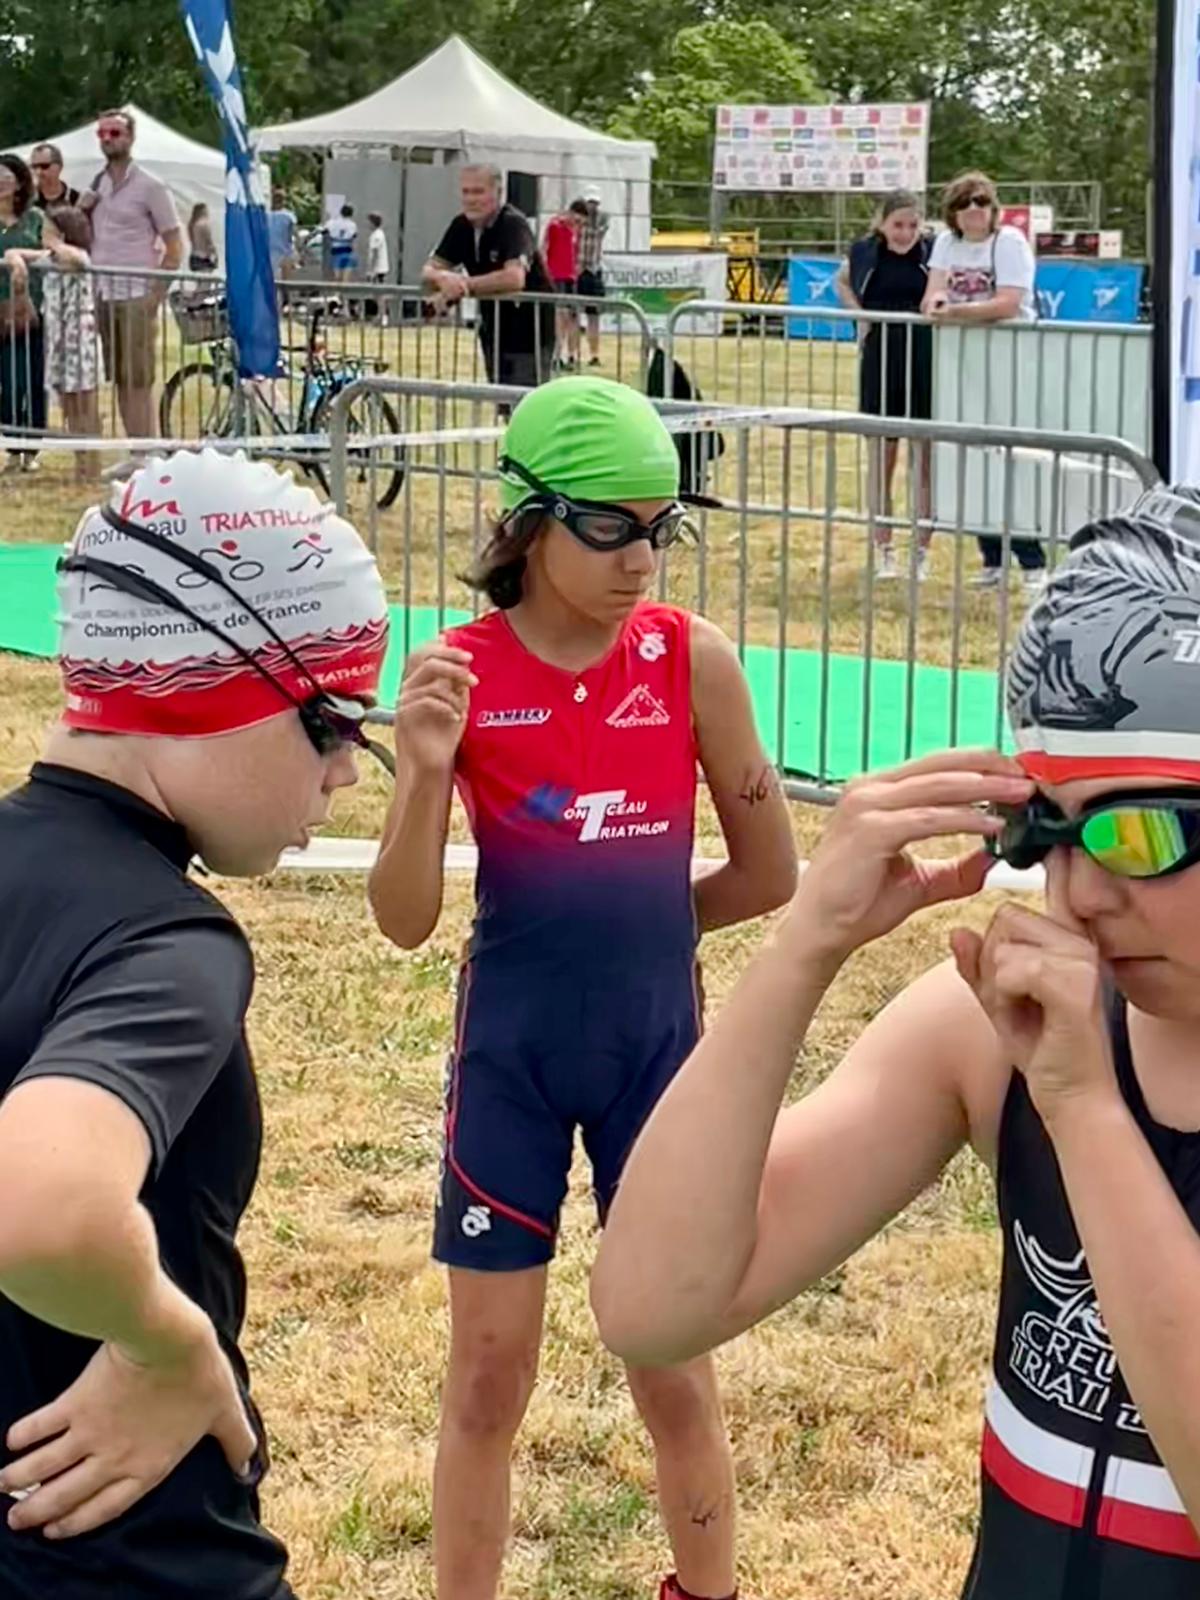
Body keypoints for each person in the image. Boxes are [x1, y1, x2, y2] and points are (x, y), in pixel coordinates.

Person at [594, 483, 1200, 1599]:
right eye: (1046, 829)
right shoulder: (995, 1041)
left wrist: (1084, 1113)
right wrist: (804, 947)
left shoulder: (1057, 1068)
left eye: (1139, 833)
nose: (1079, 894)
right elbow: (652, 1305)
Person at [369, 376, 798, 1600]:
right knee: (487, 1377)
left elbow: (769, 873)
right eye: (610, 527)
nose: (641, 558)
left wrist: (646, 926)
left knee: (674, 1369)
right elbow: (404, 920)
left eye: (662, 526)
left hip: (653, 1063)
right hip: (509, 1061)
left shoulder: (688, 658)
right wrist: (421, 774)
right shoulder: (458, 673)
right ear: (528, 521)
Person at [0, 446, 391, 1599]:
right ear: (214, 686)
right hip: (135, 1557)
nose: (347, 772)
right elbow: (41, 1204)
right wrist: (166, 1341)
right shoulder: (166, 941)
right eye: (332, 720)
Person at [923, 171, 1043, 591]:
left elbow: (1008, 303)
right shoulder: (946, 243)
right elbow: (932, 293)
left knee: (1013, 458)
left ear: (993, 208)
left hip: (1010, 360)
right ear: (952, 213)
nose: (973, 210)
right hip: (964, 361)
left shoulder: (1009, 242)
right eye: (964, 203)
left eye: (981, 201)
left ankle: (1032, 561)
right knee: (973, 457)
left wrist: (955, 312)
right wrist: (938, 302)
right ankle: (992, 558)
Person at [835, 189, 934, 580]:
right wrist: (860, 315)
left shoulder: (932, 251)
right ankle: (884, 549)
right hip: (880, 355)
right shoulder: (864, 251)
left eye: (912, 225)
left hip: (925, 355)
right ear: (882, 223)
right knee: (882, 458)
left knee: (924, 459)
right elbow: (842, 282)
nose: (905, 233)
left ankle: (922, 551)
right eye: (898, 225)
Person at [80, 110, 183, 445]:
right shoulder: (97, 184)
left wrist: (155, 296)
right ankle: (135, 451)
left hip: (136, 293)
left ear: (131, 137)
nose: (108, 139)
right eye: (102, 134)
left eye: (115, 133)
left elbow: (174, 245)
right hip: (103, 292)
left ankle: (147, 450)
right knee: (120, 378)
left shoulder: (151, 186)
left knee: (139, 379)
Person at [423, 164, 556, 389]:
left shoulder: (513, 223)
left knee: (524, 398)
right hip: (493, 327)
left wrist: (463, 285)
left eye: (478, 192)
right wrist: (442, 278)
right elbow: (429, 270)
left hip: (530, 329)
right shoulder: (461, 225)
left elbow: (514, 278)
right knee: (498, 395)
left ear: (498, 192)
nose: (471, 199)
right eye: (465, 192)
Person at [37, 204, 101, 481]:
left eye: (47, 229)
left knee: (84, 403)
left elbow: (79, 260)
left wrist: (54, 242)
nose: (42, 235)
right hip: (59, 343)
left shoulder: (78, 256)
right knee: (69, 405)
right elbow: (25, 255)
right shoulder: (50, 258)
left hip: (79, 341)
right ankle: (80, 462)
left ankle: (92, 465)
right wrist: (15, 257)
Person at [0, 152, 47, 473]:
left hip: (30, 310)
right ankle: (11, 447)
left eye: (6, 177)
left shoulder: (35, 218)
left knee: (30, 380)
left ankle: (32, 448)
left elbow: (50, 250)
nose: (1, 183)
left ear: (19, 183)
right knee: (7, 382)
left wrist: (18, 255)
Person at [543, 201, 583, 370]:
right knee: (560, 317)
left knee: (573, 317)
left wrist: (577, 268)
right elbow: (544, 248)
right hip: (556, 276)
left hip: (571, 278)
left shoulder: (576, 230)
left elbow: (576, 252)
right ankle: (556, 354)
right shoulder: (555, 226)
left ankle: (571, 355)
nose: (577, 223)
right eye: (576, 219)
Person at [576, 185, 610, 367]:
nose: (592, 206)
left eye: (595, 203)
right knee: (572, 315)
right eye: (589, 202)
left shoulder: (601, 219)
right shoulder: (577, 219)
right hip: (577, 270)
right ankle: (572, 354)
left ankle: (594, 354)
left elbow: (599, 227)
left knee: (594, 316)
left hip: (594, 270)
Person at [29, 144, 80, 211]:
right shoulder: (27, 201)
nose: (38, 172)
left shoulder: (76, 199)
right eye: (34, 167)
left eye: (44, 166)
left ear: (60, 167)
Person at [267, 190, 297, 283]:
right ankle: (285, 291)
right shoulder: (289, 216)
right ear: (283, 201)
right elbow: (295, 234)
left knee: (270, 281)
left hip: (269, 253)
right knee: (286, 282)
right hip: (285, 253)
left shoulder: (266, 216)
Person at [366, 210, 389, 324]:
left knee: (379, 293)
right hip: (379, 268)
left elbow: (374, 253)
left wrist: (371, 270)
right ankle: (380, 314)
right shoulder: (378, 234)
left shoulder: (376, 235)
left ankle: (383, 315)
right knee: (377, 293)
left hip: (378, 269)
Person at [327, 203, 357, 284]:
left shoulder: (332, 222)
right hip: (347, 250)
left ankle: (336, 291)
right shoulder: (352, 225)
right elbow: (353, 238)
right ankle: (343, 290)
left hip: (336, 250)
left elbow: (326, 232)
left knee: (337, 277)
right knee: (345, 279)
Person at [186, 202, 217, 273]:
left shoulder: (192, 224)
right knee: (207, 278)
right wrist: (214, 253)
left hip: (194, 257)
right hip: (203, 258)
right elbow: (209, 242)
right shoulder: (205, 224)